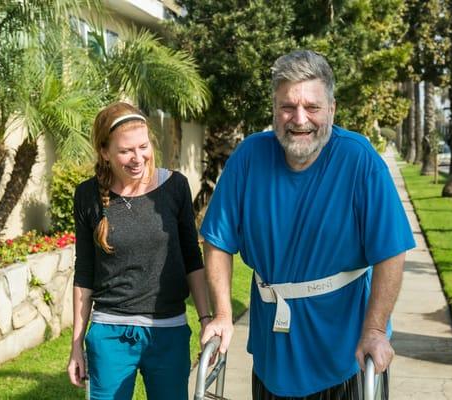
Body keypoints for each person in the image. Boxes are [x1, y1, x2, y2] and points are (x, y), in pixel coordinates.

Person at [200, 50, 416, 398]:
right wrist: (223, 315)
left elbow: (391, 251)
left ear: (331, 109)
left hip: (344, 357)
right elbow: (218, 242)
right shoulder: (249, 158)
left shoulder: (359, 160)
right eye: (288, 106)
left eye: (312, 107)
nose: (299, 119)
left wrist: (375, 330)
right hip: (273, 358)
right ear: (274, 108)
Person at [67, 102, 210, 400]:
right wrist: (76, 345)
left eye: (143, 146)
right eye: (125, 151)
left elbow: (192, 259)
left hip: (168, 332)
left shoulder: (176, 187)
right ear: (105, 152)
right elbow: (85, 273)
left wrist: (206, 319)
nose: (137, 158)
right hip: (109, 333)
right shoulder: (87, 195)